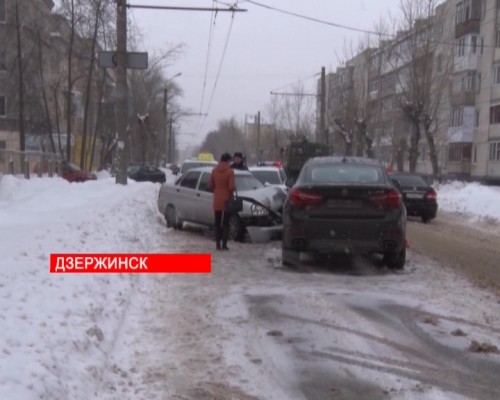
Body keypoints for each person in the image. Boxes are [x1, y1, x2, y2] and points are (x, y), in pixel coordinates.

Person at [209, 152, 236, 250]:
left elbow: (211, 185)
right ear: (228, 160)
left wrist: (217, 189)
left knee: (217, 222)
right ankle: (224, 245)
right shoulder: (230, 172)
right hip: (227, 201)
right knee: (225, 223)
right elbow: (231, 187)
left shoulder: (214, 171)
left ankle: (217, 244)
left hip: (217, 200)